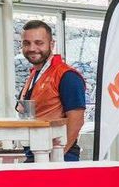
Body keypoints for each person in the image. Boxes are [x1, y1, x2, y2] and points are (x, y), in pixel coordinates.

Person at [17, 20, 86, 161]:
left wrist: (56, 158)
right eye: (26, 43)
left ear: (52, 44)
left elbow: (76, 121)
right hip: (36, 153)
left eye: (39, 43)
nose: (32, 48)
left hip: (58, 156)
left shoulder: (67, 76)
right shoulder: (34, 75)